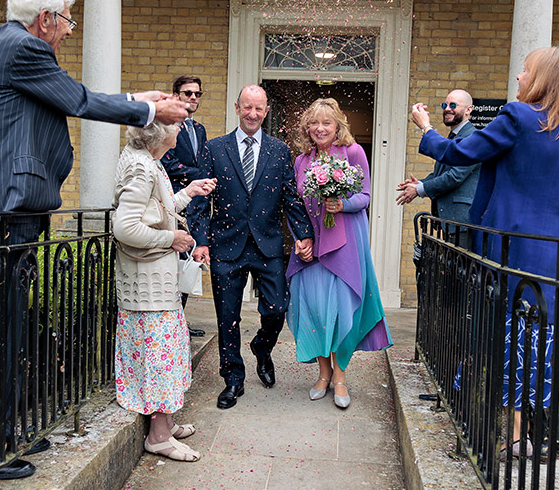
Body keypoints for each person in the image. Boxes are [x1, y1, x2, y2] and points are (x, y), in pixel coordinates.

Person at [0, 0, 188, 480]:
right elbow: (78, 101)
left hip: (9, 206)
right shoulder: (23, 47)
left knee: (9, 328)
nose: (68, 30)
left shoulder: (7, 45)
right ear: (45, 18)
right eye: (66, 20)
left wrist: (138, 98)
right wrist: (149, 107)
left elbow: (65, 94)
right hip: (5, 207)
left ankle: (1, 436)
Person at [411, 46, 559, 458]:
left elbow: (461, 152)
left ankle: (510, 435)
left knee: (505, 336)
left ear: (542, 79)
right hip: (557, 256)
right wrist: (552, 217)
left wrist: (426, 129)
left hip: (510, 249)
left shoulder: (517, 117)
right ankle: (532, 433)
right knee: (540, 341)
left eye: (526, 70)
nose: (519, 77)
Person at [190, 85, 315, 409]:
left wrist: (304, 234)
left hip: (267, 245)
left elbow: (290, 196)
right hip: (225, 245)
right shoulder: (214, 148)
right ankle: (233, 379)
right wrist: (200, 240)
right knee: (227, 316)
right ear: (237, 108)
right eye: (247, 107)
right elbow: (201, 199)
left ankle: (262, 347)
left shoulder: (279, 150)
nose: (253, 114)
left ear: (266, 111)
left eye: (259, 108)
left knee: (277, 309)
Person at [112, 122, 216, 462]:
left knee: (168, 355)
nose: (181, 129)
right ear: (160, 134)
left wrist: (189, 192)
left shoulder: (148, 160)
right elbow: (125, 227)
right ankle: (157, 437)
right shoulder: (142, 167)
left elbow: (158, 208)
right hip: (148, 288)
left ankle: (166, 424)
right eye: (175, 125)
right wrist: (172, 239)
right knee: (159, 360)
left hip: (155, 285)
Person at [286, 98, 392, 409]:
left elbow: (365, 196)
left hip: (344, 242)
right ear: (307, 128)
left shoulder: (353, 152)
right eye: (314, 123)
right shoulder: (301, 161)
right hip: (312, 245)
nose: (320, 128)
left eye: (326, 123)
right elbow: (295, 206)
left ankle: (341, 376)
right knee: (315, 309)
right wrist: (300, 239)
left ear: (337, 126)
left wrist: (341, 204)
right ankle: (323, 373)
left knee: (341, 310)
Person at [160, 74, 209, 337]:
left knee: (190, 263)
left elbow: (201, 161)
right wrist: (201, 175)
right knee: (173, 265)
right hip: (173, 202)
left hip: (196, 206)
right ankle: (169, 322)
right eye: (188, 93)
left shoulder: (199, 129)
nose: (193, 97)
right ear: (176, 95)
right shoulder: (166, 125)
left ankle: (180, 322)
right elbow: (168, 163)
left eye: (197, 94)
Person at [395, 88, 482, 233]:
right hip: (448, 222)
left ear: (468, 110)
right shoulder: (454, 136)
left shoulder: (473, 137)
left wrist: (419, 189)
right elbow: (442, 173)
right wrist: (420, 183)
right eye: (444, 105)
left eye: (453, 105)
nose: (447, 109)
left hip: (462, 223)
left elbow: (454, 176)